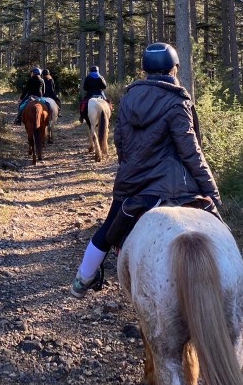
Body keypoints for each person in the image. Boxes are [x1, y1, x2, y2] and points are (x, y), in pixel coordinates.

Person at [70, 42, 222, 298]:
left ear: (145, 70)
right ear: (174, 69)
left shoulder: (128, 98)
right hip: (176, 184)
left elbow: (120, 143)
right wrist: (213, 192)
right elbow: (191, 152)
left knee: (108, 230)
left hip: (135, 182)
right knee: (219, 230)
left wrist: (131, 172)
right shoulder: (177, 101)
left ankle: (83, 279)